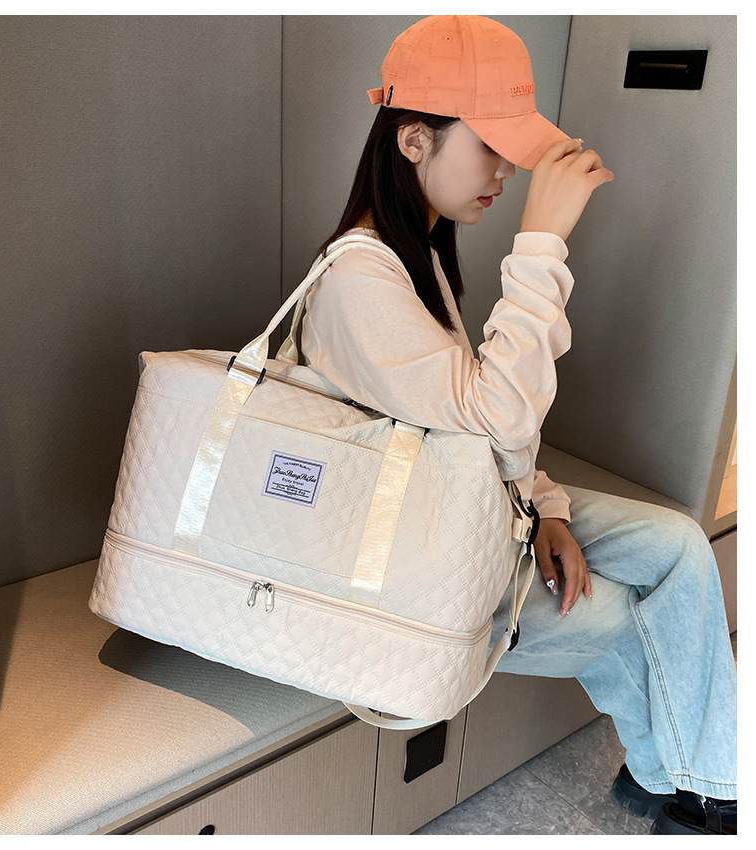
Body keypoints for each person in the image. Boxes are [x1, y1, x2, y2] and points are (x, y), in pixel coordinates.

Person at [298, 15, 737, 836]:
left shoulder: (415, 254)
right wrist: (541, 245)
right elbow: (493, 413)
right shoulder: (360, 281)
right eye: (489, 146)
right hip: (414, 560)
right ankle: (701, 791)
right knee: (614, 615)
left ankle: (699, 779)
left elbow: (479, 426)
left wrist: (549, 511)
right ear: (413, 140)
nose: (504, 169)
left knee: (678, 545)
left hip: (469, 509)